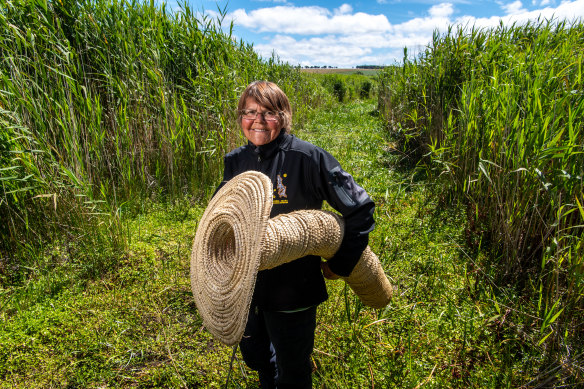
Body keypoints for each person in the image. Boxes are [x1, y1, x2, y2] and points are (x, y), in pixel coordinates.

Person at [216, 80, 375, 388]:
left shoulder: (309, 158)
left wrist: (341, 264)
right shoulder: (235, 161)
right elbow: (221, 214)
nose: (258, 121)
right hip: (247, 286)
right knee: (257, 356)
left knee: (293, 368)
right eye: (249, 112)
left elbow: (360, 210)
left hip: (294, 289)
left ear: (284, 116)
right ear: (240, 117)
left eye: (268, 113)